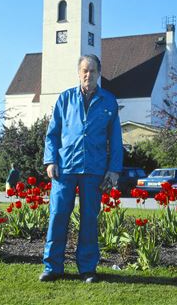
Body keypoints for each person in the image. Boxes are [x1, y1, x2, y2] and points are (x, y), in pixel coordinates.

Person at [40, 54, 123, 283]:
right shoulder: (65, 99)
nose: (88, 75)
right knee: (58, 215)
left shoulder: (109, 101)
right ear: (79, 73)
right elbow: (52, 134)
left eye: (93, 71)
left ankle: (87, 269)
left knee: (89, 219)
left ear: (99, 73)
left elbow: (115, 139)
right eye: (84, 71)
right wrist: (50, 161)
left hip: (94, 169)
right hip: (64, 168)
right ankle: (52, 267)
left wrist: (114, 170)